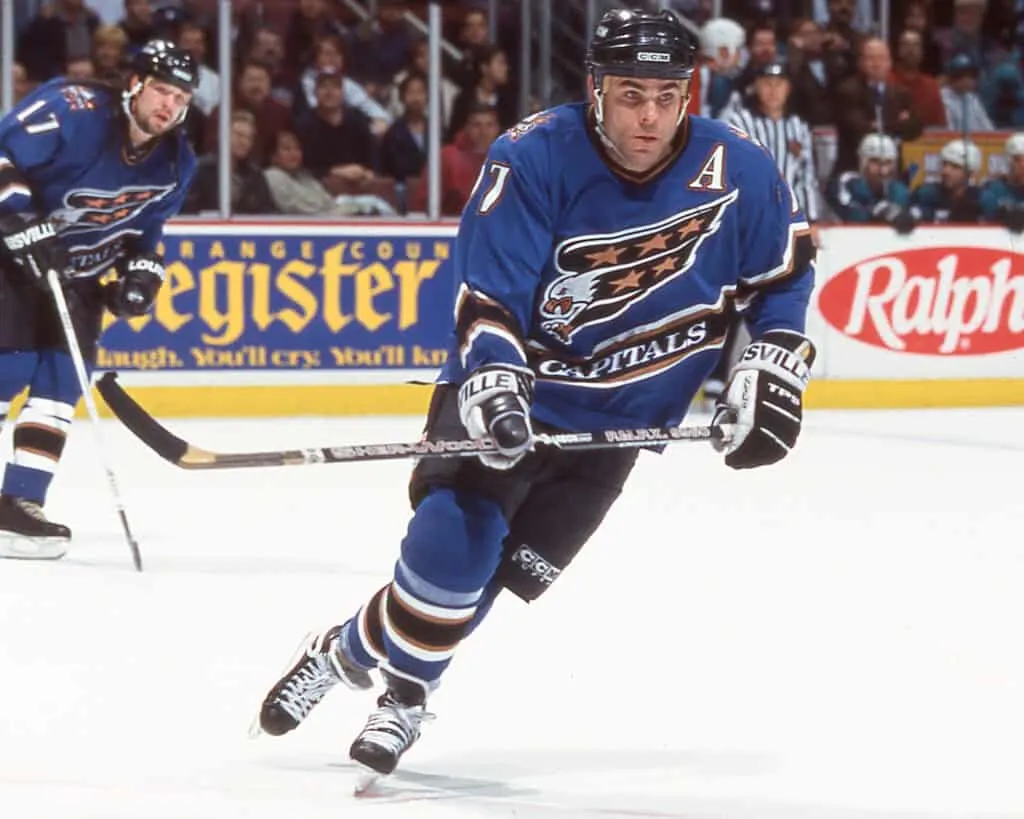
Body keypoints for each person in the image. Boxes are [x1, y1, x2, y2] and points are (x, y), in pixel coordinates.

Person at [255, 8, 817, 788]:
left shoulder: (743, 171)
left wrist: (775, 362)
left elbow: (781, 280)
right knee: (454, 546)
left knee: (495, 578)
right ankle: (410, 694)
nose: (650, 115)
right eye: (630, 95)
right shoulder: (534, 154)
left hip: (621, 419)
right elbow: (489, 291)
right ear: (594, 87)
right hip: (516, 387)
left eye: (666, 94)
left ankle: (347, 649)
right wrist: (494, 378)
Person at [0, 39, 197, 560]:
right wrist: (18, 218)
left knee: (62, 381)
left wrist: (141, 276)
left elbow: (148, 234)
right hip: (9, 257)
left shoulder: (177, 162)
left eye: (180, 98)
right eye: (161, 90)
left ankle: (19, 503)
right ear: (133, 83)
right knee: (9, 368)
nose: (169, 106)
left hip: (78, 276)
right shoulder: (71, 109)